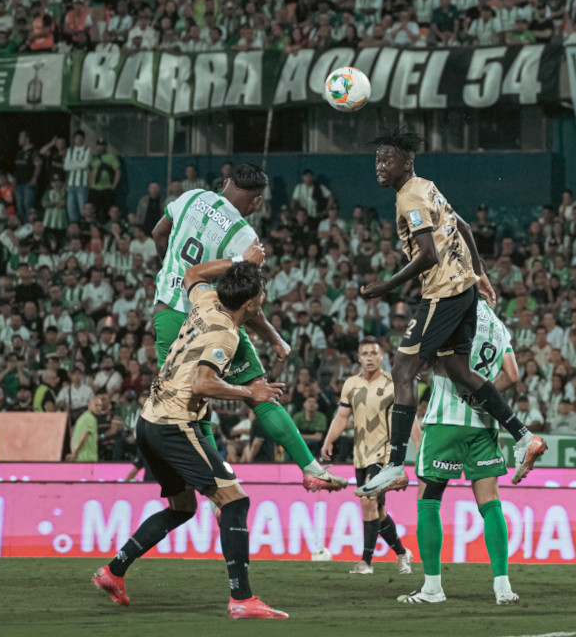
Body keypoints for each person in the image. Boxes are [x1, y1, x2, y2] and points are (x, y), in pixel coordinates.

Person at [91, 254, 289, 619]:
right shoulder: (226, 334)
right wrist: (251, 393)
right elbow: (204, 382)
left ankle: (113, 571)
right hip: (174, 424)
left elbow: (194, 272)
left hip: (148, 420)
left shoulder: (207, 300)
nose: (263, 298)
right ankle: (242, 599)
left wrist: (237, 261)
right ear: (251, 303)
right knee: (235, 502)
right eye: (261, 294)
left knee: (183, 508)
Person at [356, 128, 546, 496]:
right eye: (377, 158)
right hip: (463, 291)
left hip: (442, 294)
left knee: (402, 369)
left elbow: (427, 254)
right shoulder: (427, 186)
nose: (379, 165)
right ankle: (524, 437)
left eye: (387, 159)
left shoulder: (410, 197)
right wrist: (480, 275)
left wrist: (384, 286)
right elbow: (464, 225)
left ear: (407, 162)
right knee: (459, 370)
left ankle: (395, 465)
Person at [151, 162, 345, 491]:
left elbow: (158, 234)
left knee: (190, 404)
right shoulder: (246, 239)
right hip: (213, 320)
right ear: (256, 202)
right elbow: (248, 302)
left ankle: (214, 485)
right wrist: (274, 339)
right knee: (260, 393)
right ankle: (313, 469)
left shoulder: (190, 196)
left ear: (226, 182)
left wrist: (170, 272)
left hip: (167, 313)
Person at [401, 299, 519, 605]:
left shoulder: (452, 311)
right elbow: (512, 374)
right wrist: (481, 396)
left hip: (445, 420)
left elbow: (424, 359)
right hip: (484, 423)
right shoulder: (497, 325)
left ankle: (432, 588)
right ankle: (503, 587)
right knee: (491, 504)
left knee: (428, 501)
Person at [320, 337, 413, 575]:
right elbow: (342, 417)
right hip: (360, 454)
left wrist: (420, 447)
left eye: (374, 353)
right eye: (364, 353)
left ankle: (365, 562)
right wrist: (329, 440)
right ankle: (402, 553)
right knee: (376, 511)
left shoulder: (394, 383)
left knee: (368, 501)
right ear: (359, 358)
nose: (369, 357)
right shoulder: (351, 384)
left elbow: (408, 416)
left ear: (382, 356)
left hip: (385, 454)